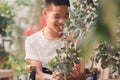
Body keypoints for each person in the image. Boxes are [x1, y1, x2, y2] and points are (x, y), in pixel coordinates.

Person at [25, 0, 86, 80]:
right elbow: (37, 74)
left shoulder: (74, 39)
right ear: (45, 14)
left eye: (66, 17)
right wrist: (54, 78)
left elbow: (82, 74)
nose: (62, 21)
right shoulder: (33, 41)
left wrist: (70, 76)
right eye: (57, 16)